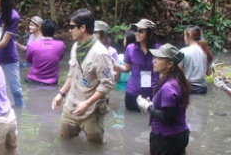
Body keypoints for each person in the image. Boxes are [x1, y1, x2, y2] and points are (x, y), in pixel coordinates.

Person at [51, 9, 114, 144]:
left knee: (96, 148)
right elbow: (72, 75)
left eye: (72, 27)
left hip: (91, 110)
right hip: (71, 107)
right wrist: (61, 94)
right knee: (64, 142)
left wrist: (87, 103)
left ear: (83, 28)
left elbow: (107, 84)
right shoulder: (75, 47)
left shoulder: (100, 53)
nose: (69, 30)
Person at [136, 44, 191, 155]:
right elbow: (173, 109)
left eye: (158, 58)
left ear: (170, 64)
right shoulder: (178, 80)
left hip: (166, 138)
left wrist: (148, 107)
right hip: (181, 134)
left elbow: (168, 118)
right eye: (154, 57)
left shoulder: (167, 87)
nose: (153, 61)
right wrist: (153, 105)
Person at [115, 19, 159, 112]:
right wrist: (116, 65)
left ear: (150, 33)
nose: (136, 33)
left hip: (153, 92)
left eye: (140, 31)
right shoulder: (130, 48)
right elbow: (127, 68)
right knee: (131, 122)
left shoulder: (159, 50)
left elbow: (165, 71)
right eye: (136, 30)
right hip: (133, 92)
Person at [25, 19, 66, 85]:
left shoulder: (32, 45)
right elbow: (60, 58)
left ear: (40, 30)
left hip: (33, 80)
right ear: (54, 31)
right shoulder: (61, 45)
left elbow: (28, 60)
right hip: (51, 82)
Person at [179, 25, 213, 94]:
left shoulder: (183, 51)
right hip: (202, 89)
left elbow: (177, 72)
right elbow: (209, 73)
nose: (184, 37)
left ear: (189, 36)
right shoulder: (206, 52)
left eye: (185, 35)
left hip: (187, 88)